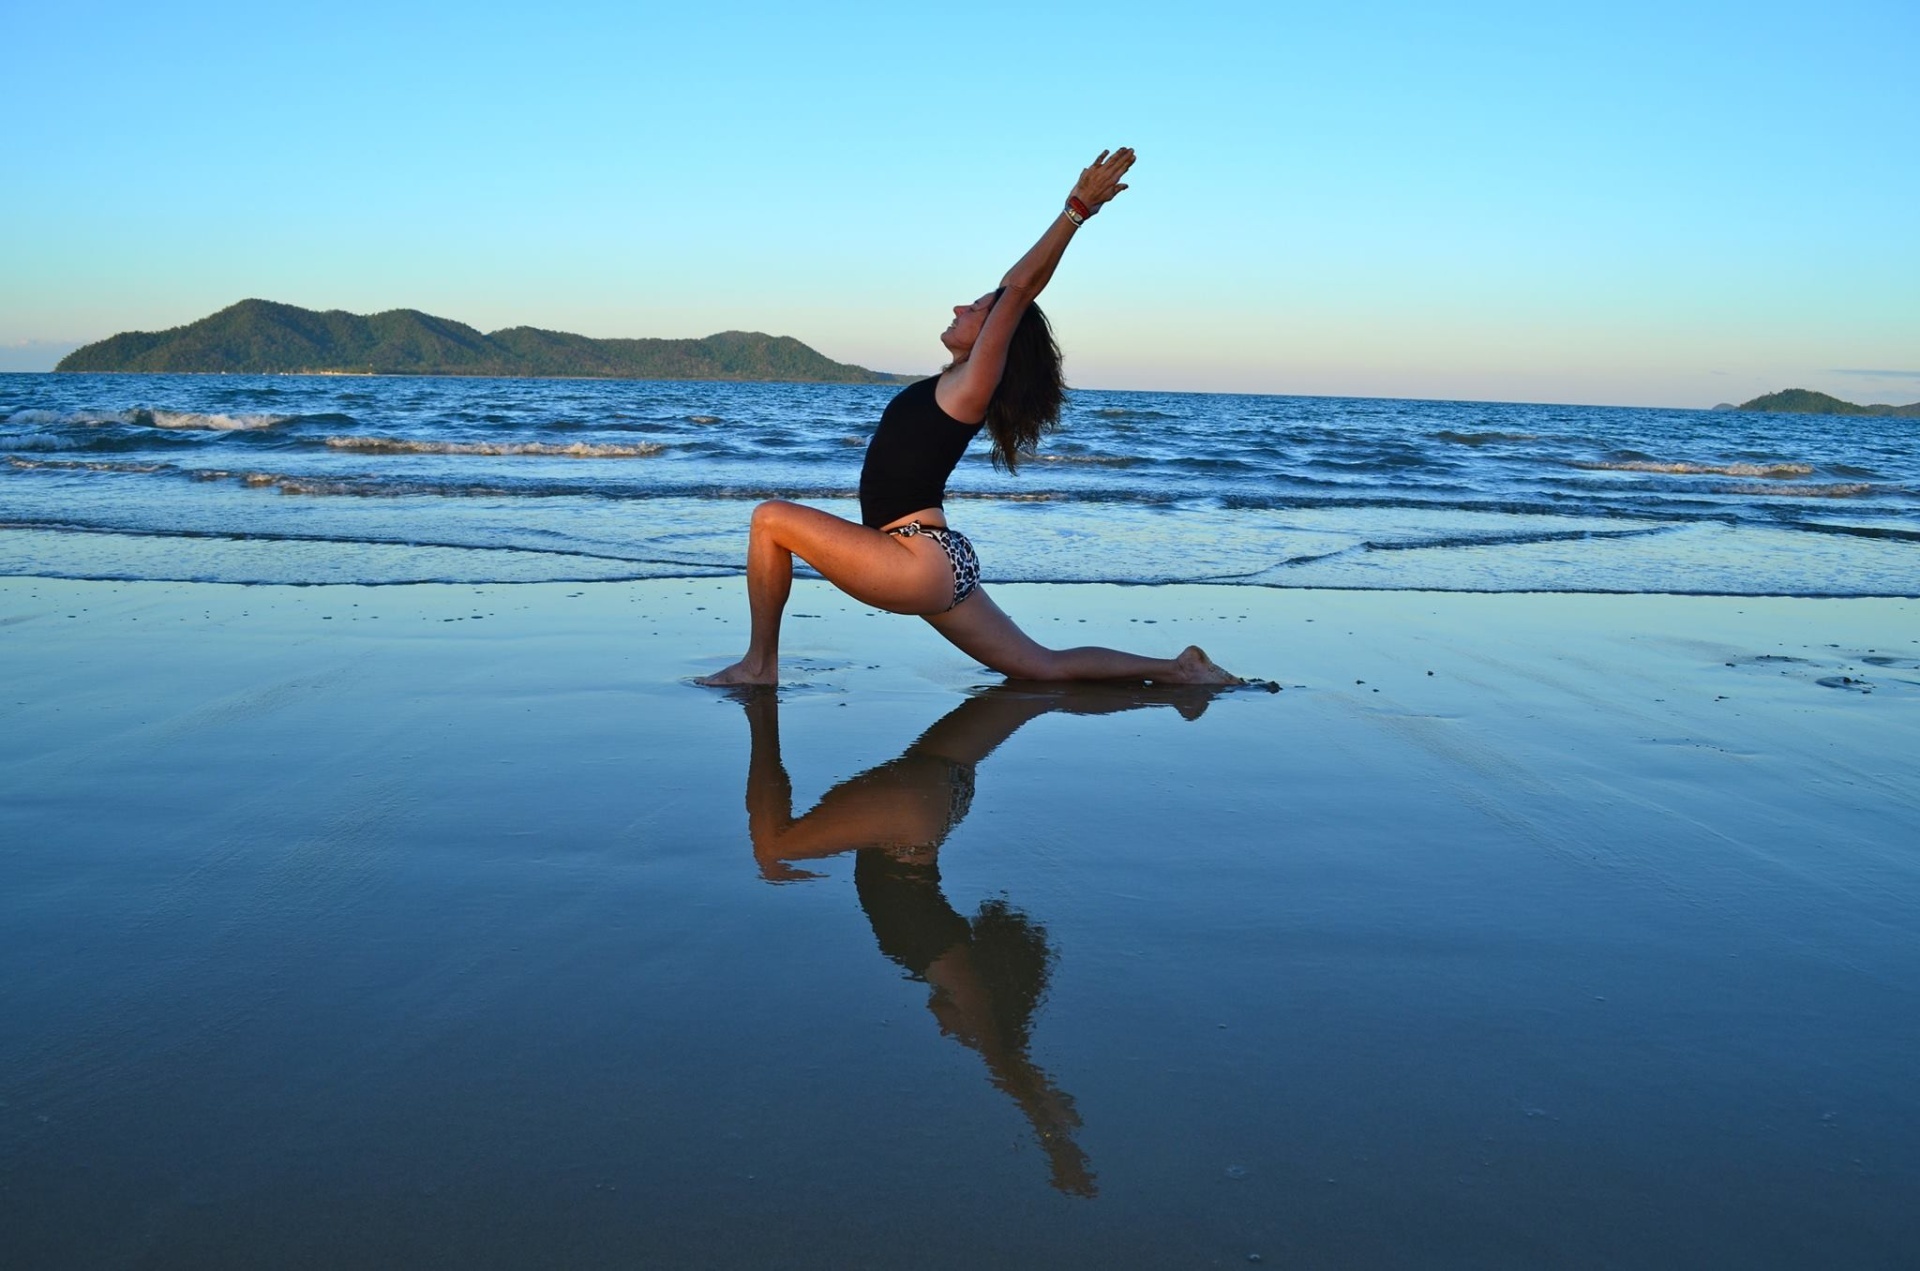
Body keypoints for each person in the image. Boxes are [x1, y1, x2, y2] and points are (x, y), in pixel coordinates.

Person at [696, 148, 1243, 689]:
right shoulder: (951, 386)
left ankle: (760, 667)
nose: (961, 308)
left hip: (913, 557)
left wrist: (1077, 209)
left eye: (978, 309)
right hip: (935, 558)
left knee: (770, 520)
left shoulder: (970, 387)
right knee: (1040, 666)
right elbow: (1013, 291)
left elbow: (1020, 288)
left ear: (994, 338)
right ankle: (1178, 669)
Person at [729, 681, 1232, 1195]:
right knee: (774, 850)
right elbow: (1005, 1058)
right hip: (912, 817)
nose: (951, 1032)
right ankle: (759, 707)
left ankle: (1172, 674)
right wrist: (1056, 1143)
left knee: (1031, 682)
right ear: (986, 996)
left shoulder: (936, 964)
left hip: (944, 793)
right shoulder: (949, 968)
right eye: (963, 1029)